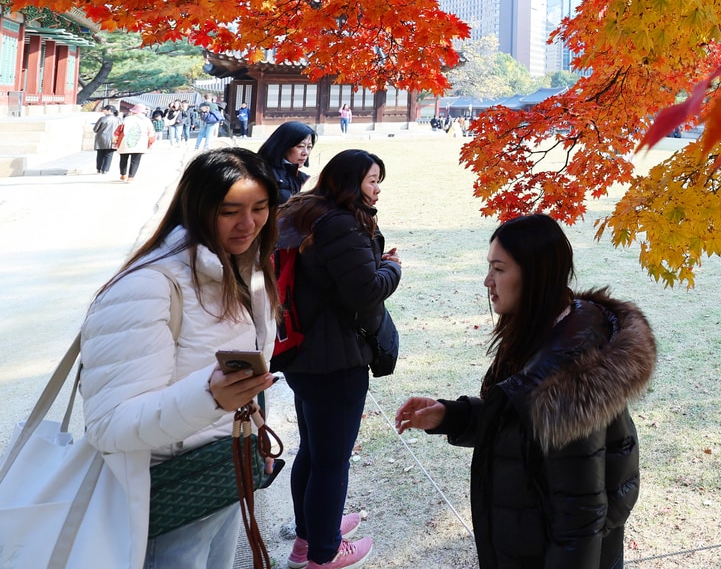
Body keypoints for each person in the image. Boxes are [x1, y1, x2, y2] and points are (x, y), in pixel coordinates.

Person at [396, 213, 656, 569]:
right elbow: (519, 430)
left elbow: (579, 522)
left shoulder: (567, 381)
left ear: (535, 276)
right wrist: (450, 415)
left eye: (499, 269)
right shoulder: (545, 334)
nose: (488, 281)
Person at [78, 148, 280, 568]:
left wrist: (252, 431)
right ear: (198, 207)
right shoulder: (149, 287)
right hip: (169, 489)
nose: (249, 224)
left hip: (223, 474)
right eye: (230, 211)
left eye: (260, 208)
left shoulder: (244, 269)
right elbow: (109, 425)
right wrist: (209, 398)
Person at [275, 150, 400, 569]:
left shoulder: (303, 213)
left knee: (313, 450)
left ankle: (309, 536)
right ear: (350, 182)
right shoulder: (342, 224)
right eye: (372, 180)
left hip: (301, 351)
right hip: (335, 359)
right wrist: (392, 268)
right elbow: (364, 292)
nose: (377, 188)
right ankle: (323, 552)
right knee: (331, 461)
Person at [257, 121, 317, 204]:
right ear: (284, 145)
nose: (305, 152)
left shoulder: (303, 178)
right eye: (300, 146)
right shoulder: (264, 174)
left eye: (309, 147)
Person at [117, 103, 157, 182]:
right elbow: (151, 133)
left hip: (125, 141)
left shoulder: (126, 119)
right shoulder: (147, 120)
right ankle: (131, 177)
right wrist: (150, 143)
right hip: (140, 142)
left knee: (123, 158)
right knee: (135, 160)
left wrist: (115, 140)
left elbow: (119, 130)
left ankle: (123, 175)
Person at [93, 104, 120, 175]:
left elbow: (95, 129)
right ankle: (105, 169)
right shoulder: (118, 119)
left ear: (109, 110)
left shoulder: (102, 119)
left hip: (101, 138)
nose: (103, 111)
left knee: (100, 154)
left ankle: (99, 168)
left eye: (104, 109)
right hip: (113, 139)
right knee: (109, 155)